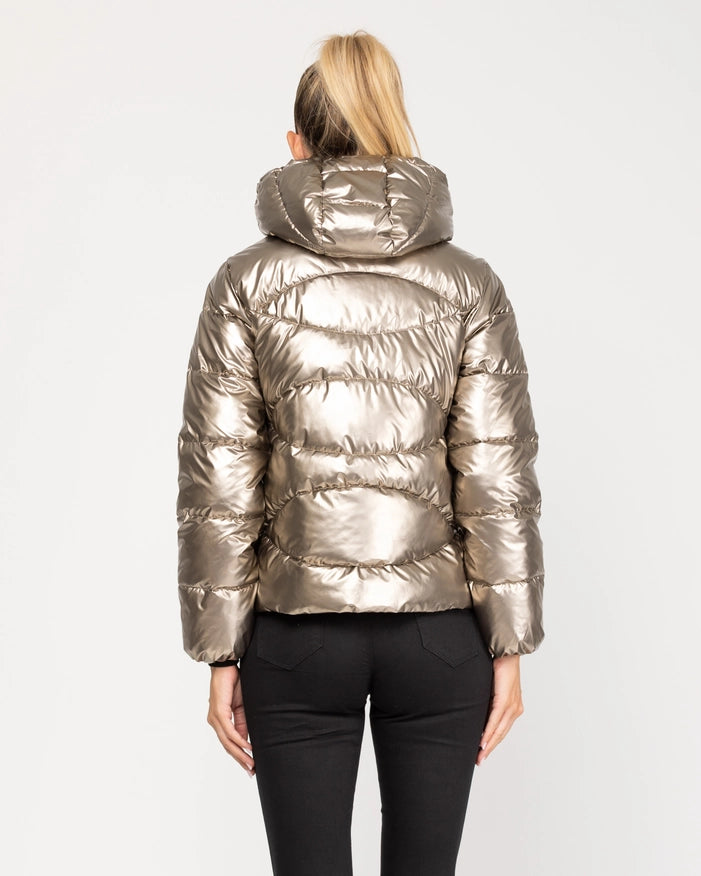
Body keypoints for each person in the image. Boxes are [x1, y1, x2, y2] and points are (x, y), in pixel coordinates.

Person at [176, 29, 545, 876]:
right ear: (394, 129)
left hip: (295, 638)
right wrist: (509, 642)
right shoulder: (469, 284)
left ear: (296, 145)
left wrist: (220, 651)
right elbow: (495, 474)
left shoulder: (243, 284)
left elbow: (219, 479)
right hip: (438, 638)